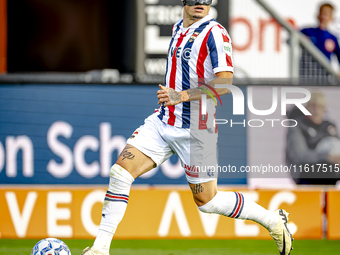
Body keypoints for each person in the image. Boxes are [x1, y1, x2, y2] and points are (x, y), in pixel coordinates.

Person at [81, 1, 293, 254]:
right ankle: (99, 249)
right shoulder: (177, 28)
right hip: (163, 121)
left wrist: (181, 96)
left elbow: (225, 83)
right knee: (120, 173)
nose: (200, 3)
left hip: (196, 129)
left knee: (207, 201)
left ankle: (273, 222)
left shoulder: (215, 32)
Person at [286, 91, 340, 185]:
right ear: (306, 108)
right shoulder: (297, 126)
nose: (316, 110)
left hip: (331, 177)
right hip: (306, 177)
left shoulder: (330, 127)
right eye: (313, 106)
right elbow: (301, 155)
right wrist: (327, 157)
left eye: (320, 107)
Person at [300, 3, 340, 78]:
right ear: (318, 15)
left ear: (332, 17)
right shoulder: (307, 31)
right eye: (323, 13)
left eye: (327, 14)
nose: (324, 16)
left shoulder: (332, 38)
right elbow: (290, 40)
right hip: (306, 74)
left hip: (324, 76)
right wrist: (302, 40)